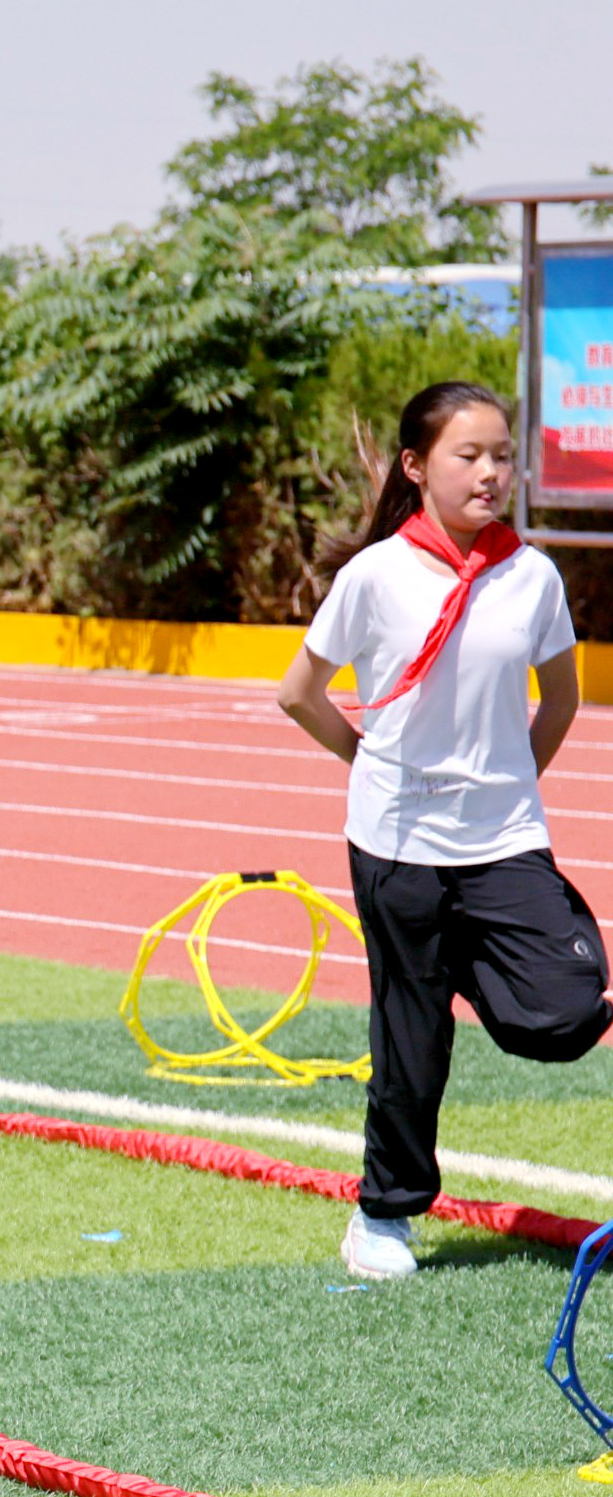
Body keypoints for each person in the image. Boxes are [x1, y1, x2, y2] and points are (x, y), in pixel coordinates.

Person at [281, 379, 605, 1280]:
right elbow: (298, 692)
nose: (491, 472)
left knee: (565, 1013)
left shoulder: (530, 576)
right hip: (397, 844)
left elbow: (562, 699)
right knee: (412, 1037)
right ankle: (383, 1215)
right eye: (470, 456)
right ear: (417, 466)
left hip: (503, 838)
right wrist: (369, 761)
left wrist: (508, 787)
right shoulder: (375, 576)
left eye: (502, 455)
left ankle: (460, 952)